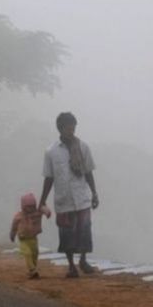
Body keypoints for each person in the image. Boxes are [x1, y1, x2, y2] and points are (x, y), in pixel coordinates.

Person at [39, 112, 99, 278]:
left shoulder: (83, 147)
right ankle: (71, 265)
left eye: (73, 128)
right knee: (67, 235)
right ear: (60, 128)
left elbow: (88, 172)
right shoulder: (51, 152)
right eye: (68, 128)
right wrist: (42, 201)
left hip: (82, 198)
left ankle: (84, 260)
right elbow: (49, 178)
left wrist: (94, 193)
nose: (71, 132)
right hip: (64, 200)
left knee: (84, 231)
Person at [10, 192, 52, 279]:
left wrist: (47, 212)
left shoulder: (37, 213)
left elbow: (44, 210)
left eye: (32, 206)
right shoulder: (19, 216)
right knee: (27, 254)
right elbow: (14, 226)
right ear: (23, 206)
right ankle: (33, 270)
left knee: (35, 254)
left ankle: (32, 270)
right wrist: (12, 235)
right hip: (23, 239)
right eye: (28, 206)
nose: (30, 208)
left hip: (33, 238)